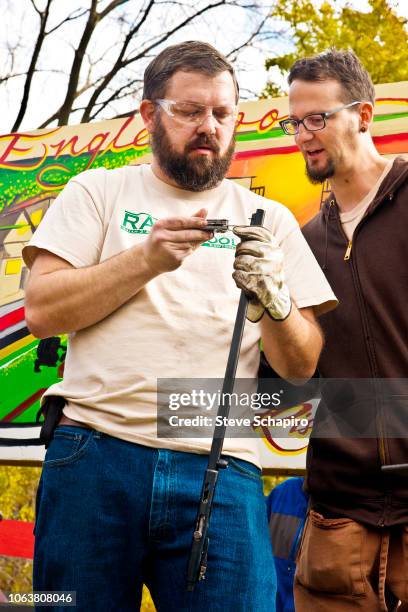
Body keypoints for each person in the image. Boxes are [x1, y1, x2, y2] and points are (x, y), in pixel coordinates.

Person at [23, 41, 336, 611]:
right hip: (91, 455)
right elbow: (42, 310)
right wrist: (146, 258)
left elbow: (302, 365)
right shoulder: (97, 190)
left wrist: (277, 301)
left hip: (223, 465)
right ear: (149, 114)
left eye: (221, 113)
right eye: (189, 111)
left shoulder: (270, 220)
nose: (208, 127)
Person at [281, 48, 408, 611]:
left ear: (363, 114)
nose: (303, 134)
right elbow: (295, 383)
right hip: (336, 522)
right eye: (294, 122)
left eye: (317, 118)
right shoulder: (303, 243)